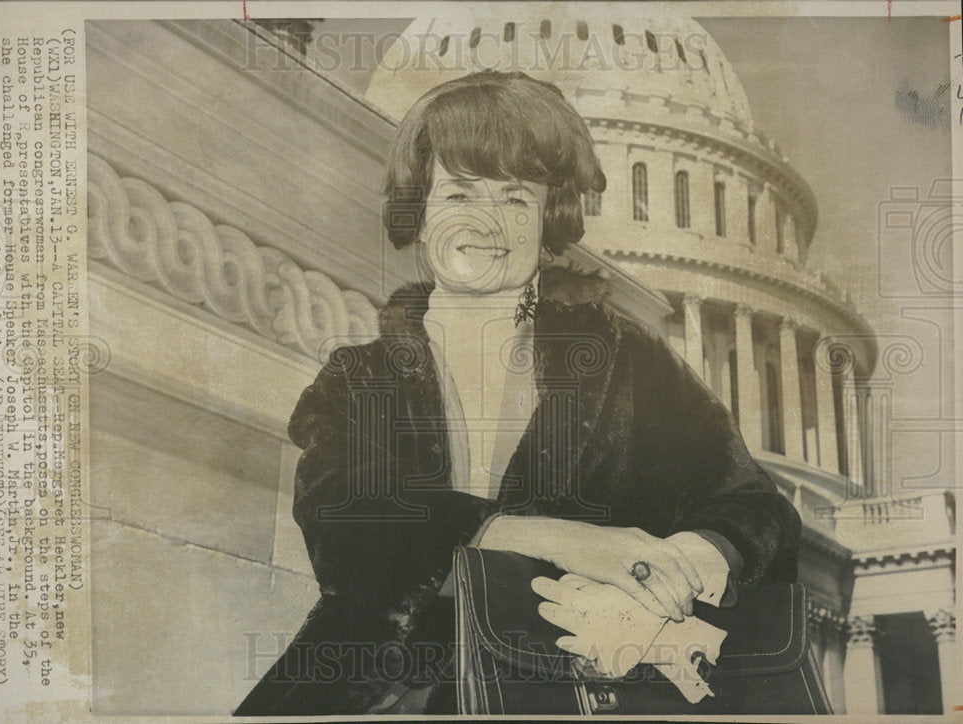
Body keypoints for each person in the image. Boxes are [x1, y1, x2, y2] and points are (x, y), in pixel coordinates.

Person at [234, 70, 801, 716]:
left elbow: (757, 508)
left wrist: (681, 560)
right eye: (460, 195)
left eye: (515, 200)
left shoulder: (630, 366)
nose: (486, 223)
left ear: (548, 219)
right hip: (378, 691)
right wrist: (565, 542)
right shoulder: (358, 379)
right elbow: (348, 533)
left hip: (577, 690)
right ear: (419, 215)